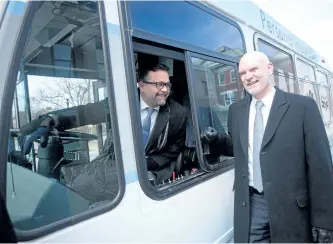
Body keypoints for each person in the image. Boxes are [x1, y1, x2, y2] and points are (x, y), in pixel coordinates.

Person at [201, 51, 333, 243]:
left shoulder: (303, 107)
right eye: (243, 73)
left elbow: (321, 167)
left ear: (269, 68)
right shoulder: (235, 111)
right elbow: (239, 148)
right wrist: (217, 140)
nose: (248, 76)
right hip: (253, 204)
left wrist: (325, 220)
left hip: (293, 209)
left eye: (253, 69)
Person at [18, 64, 186, 198]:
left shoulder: (178, 113)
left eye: (167, 84)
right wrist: (53, 120)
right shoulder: (121, 101)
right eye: (159, 84)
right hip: (112, 165)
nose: (165, 90)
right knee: (74, 192)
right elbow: (85, 113)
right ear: (141, 86)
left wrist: (147, 163)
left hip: (150, 173)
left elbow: (174, 149)